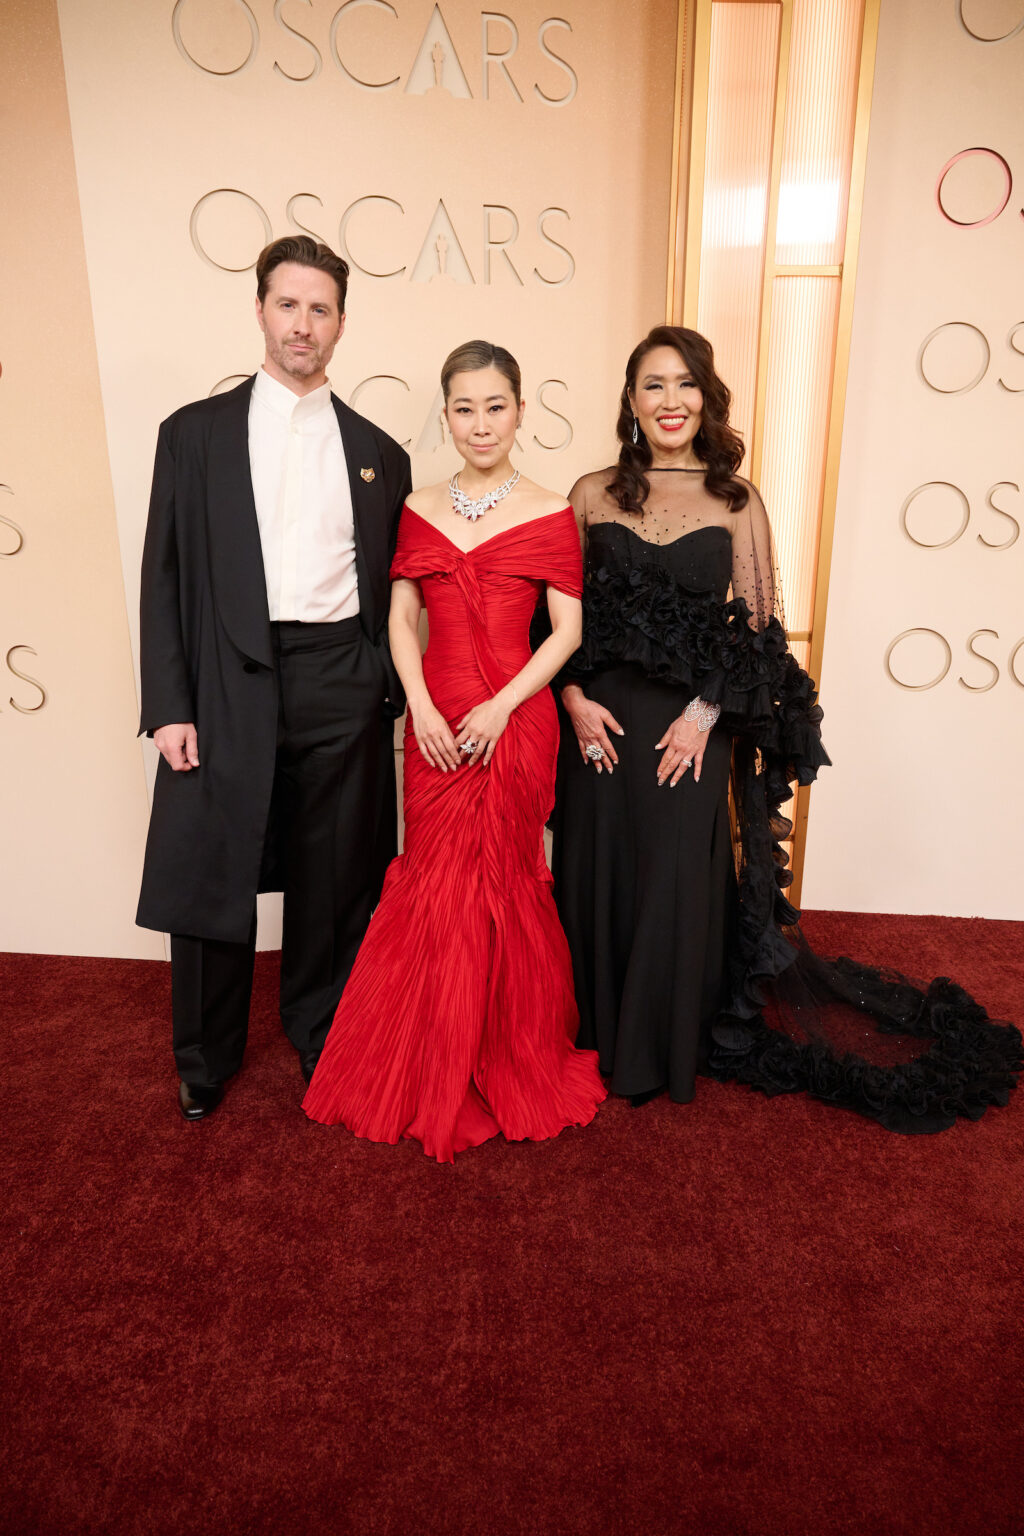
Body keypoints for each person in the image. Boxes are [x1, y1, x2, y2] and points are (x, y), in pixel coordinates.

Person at [552, 325, 1021, 1133]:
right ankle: (587, 1039)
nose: (671, 401)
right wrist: (568, 696)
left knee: (670, 881)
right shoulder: (591, 492)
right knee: (597, 876)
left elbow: (759, 634)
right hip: (596, 724)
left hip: (691, 730)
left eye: (686, 384)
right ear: (630, 401)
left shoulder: (738, 502)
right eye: (654, 385)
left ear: (708, 397)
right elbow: (554, 613)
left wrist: (705, 716)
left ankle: (658, 1048)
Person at [303, 341, 606, 1161]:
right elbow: (403, 619)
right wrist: (423, 710)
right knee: (431, 880)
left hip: (515, 723)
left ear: (520, 410)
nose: (480, 423)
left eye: (495, 406)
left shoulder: (549, 509)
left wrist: (503, 708)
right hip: (435, 725)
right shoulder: (419, 505)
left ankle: (505, 1054)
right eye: (464, 408)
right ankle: (427, 1059)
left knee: (503, 877)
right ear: (446, 415)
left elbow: (567, 632)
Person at [137, 236, 411, 1121]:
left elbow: (392, 589)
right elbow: (165, 577)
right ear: (259, 309)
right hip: (226, 677)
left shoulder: (379, 451)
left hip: (341, 678)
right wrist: (170, 705)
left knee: (336, 876)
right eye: (288, 304)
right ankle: (204, 1058)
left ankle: (323, 1034)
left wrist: (380, 683)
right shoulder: (192, 435)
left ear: (341, 324)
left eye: (320, 308)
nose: (303, 324)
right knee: (214, 866)